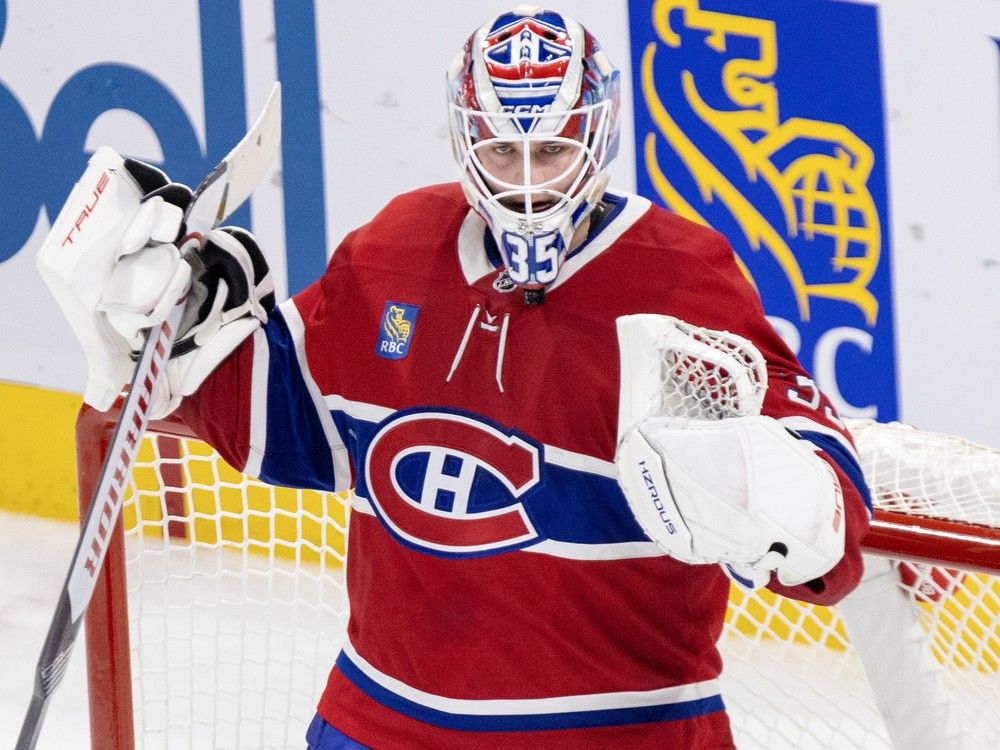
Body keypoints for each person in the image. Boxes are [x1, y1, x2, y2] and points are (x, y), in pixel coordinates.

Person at [41, 6, 872, 749]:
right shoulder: (395, 249)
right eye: (500, 151)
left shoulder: (680, 279)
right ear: (463, 137)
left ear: (597, 136)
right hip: (379, 724)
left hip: (621, 732)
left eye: (549, 151)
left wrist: (806, 500)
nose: (525, 181)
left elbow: (809, 456)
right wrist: (180, 319)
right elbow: (289, 424)